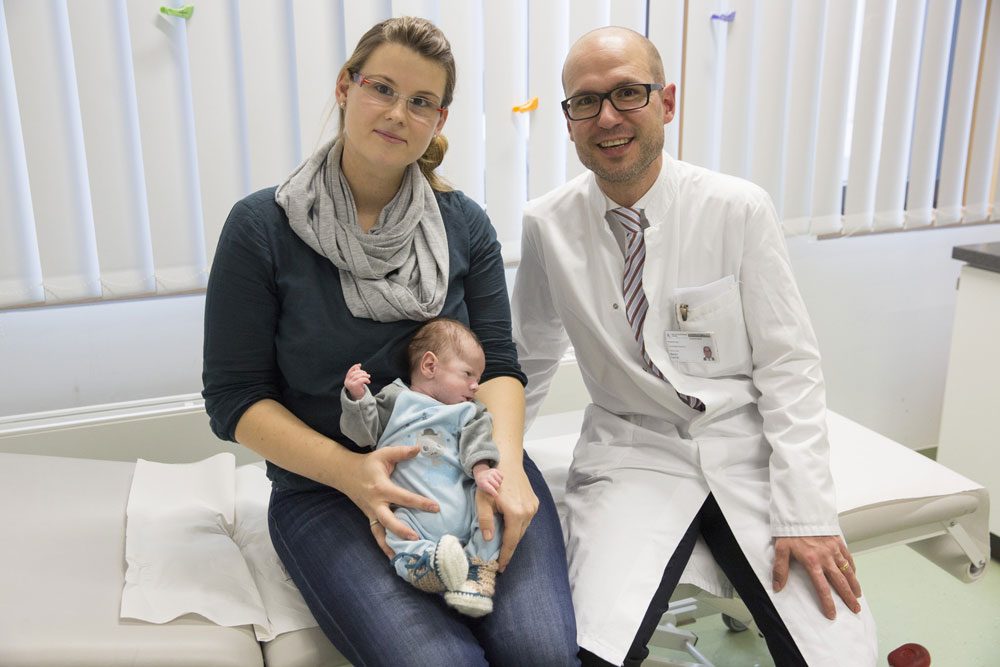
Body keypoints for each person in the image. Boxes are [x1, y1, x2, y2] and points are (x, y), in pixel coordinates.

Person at [202, 16, 578, 666]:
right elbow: (234, 400)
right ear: (346, 87)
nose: (398, 112)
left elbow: (501, 366)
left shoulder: (465, 226)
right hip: (327, 492)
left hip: (469, 464)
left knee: (541, 651)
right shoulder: (261, 228)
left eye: (421, 101)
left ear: (439, 119)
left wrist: (507, 467)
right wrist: (353, 473)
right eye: (382, 88)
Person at [511, 26, 878, 667]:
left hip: (747, 452)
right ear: (568, 120)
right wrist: (491, 462)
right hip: (632, 453)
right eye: (586, 101)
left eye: (629, 93)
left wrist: (808, 513)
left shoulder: (737, 209)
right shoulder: (548, 223)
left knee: (839, 653)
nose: (608, 117)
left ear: (668, 102)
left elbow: (789, 366)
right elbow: (530, 357)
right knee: (591, 653)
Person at [339, 318, 504, 617]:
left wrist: (482, 470)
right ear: (430, 366)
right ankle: (426, 566)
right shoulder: (395, 399)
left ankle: (475, 575)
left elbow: (478, 441)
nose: (475, 385)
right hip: (413, 513)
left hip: (463, 503)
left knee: (492, 517)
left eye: (477, 377)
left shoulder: (468, 410)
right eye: (468, 374)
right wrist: (358, 398)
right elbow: (363, 434)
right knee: (398, 533)